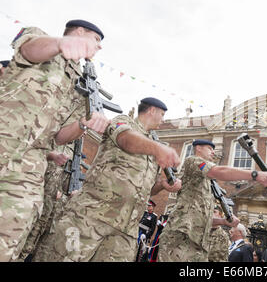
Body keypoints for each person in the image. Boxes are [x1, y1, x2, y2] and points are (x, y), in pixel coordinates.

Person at [0, 19, 110, 262]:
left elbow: (58, 136)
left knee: (9, 239)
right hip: (4, 139)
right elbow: (29, 49)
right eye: (96, 40)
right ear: (79, 32)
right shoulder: (40, 38)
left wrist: (83, 124)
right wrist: (63, 43)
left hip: (29, 165)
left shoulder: (76, 81)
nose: (99, 47)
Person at [33, 97, 181, 262]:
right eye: (162, 114)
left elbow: (146, 191)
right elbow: (125, 140)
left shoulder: (154, 146)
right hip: (91, 218)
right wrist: (158, 149)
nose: (164, 119)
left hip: (125, 232)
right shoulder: (124, 123)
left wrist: (161, 185)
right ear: (152, 110)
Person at [158, 139, 267, 262]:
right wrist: (255, 175)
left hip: (197, 242)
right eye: (209, 148)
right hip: (181, 236)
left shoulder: (206, 183)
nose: (213, 152)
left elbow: (202, 216)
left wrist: (223, 221)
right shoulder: (193, 161)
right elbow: (218, 171)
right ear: (198, 148)